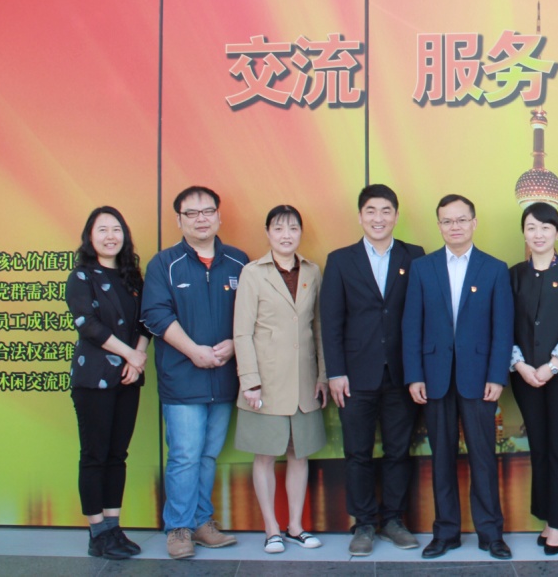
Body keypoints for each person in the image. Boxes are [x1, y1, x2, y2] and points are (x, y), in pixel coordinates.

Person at [402, 194, 514, 561]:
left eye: (461, 219)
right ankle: (446, 533)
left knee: (484, 458)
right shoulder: (422, 268)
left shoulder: (494, 268)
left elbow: (503, 329)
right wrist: (414, 375)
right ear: (439, 226)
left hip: (479, 378)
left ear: (474, 223)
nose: (455, 227)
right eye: (447, 221)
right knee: (441, 459)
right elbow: (411, 326)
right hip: (434, 377)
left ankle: (491, 534)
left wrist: (497, 375)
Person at [142, 186, 248, 560]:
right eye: (192, 213)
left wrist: (234, 343)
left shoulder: (238, 262)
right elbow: (156, 315)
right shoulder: (164, 264)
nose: (201, 219)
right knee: (185, 455)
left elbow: (253, 313)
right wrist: (193, 351)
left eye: (208, 211)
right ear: (179, 220)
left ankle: (202, 522)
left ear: (219, 215)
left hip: (224, 377)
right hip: (183, 377)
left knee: (207, 455)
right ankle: (178, 528)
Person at [321, 184, 424, 555]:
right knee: (357, 453)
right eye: (371, 211)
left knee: (398, 451)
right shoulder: (340, 260)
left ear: (396, 215)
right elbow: (331, 321)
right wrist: (335, 372)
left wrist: (419, 371)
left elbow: (422, 315)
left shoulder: (415, 256)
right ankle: (363, 523)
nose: (378, 218)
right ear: (360, 216)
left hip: (402, 373)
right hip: (354, 374)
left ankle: (393, 520)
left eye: (385, 211)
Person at [233, 205, 328, 554]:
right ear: (268, 232)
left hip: (304, 380)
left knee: (299, 454)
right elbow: (242, 332)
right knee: (265, 455)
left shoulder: (312, 271)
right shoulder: (252, 273)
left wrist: (323, 375)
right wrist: (250, 380)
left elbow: (318, 327)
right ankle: (271, 528)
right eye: (278, 228)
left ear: (301, 232)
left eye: (292, 228)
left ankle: (296, 526)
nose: (286, 235)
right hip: (266, 381)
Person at [66, 206, 150, 560]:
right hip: (94, 380)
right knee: (95, 455)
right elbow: (88, 324)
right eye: (102, 230)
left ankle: (114, 527)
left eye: (116, 229)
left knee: (117, 455)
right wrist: (130, 354)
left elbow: (146, 322)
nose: (110, 236)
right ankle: (97, 532)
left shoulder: (133, 278)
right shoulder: (81, 276)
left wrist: (137, 357)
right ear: (90, 236)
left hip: (128, 378)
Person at [509, 202, 558, 556]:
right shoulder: (514, 275)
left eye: (545, 227)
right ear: (523, 233)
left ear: (557, 232)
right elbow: (502, 322)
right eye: (531, 227)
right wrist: (521, 366)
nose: (538, 234)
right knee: (539, 446)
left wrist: (552, 365)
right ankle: (546, 515)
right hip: (524, 375)